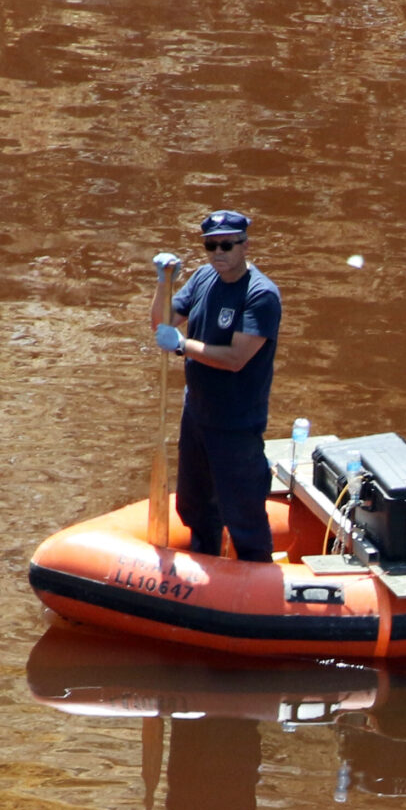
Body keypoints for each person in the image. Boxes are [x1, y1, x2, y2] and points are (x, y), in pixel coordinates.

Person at [149, 210, 283, 562]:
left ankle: (257, 578)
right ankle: (202, 564)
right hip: (198, 413)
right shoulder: (204, 277)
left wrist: (181, 345)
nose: (218, 252)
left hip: (236, 421)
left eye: (226, 244)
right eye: (211, 245)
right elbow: (162, 322)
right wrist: (165, 283)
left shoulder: (260, 295)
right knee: (195, 504)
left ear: (244, 245)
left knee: (243, 511)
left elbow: (236, 357)